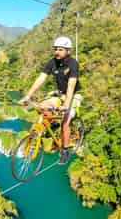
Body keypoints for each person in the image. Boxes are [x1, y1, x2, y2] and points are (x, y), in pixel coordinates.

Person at [18, 36, 82, 165]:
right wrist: (27, 96)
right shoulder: (52, 62)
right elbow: (40, 80)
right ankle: (50, 127)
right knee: (42, 106)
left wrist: (66, 105)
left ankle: (64, 150)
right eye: (55, 49)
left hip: (74, 95)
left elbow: (71, 85)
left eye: (60, 49)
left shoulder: (73, 64)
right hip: (59, 94)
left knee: (65, 122)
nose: (57, 52)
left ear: (68, 51)